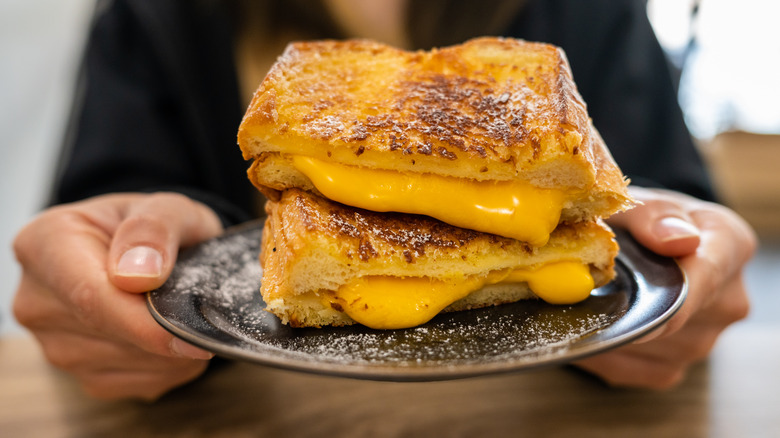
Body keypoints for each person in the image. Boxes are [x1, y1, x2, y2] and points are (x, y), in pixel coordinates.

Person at [12, 0, 755, 400]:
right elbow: (102, 211)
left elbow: (666, 205)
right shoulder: (150, 18)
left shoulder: (595, 15)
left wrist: (690, 252)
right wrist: (107, 272)